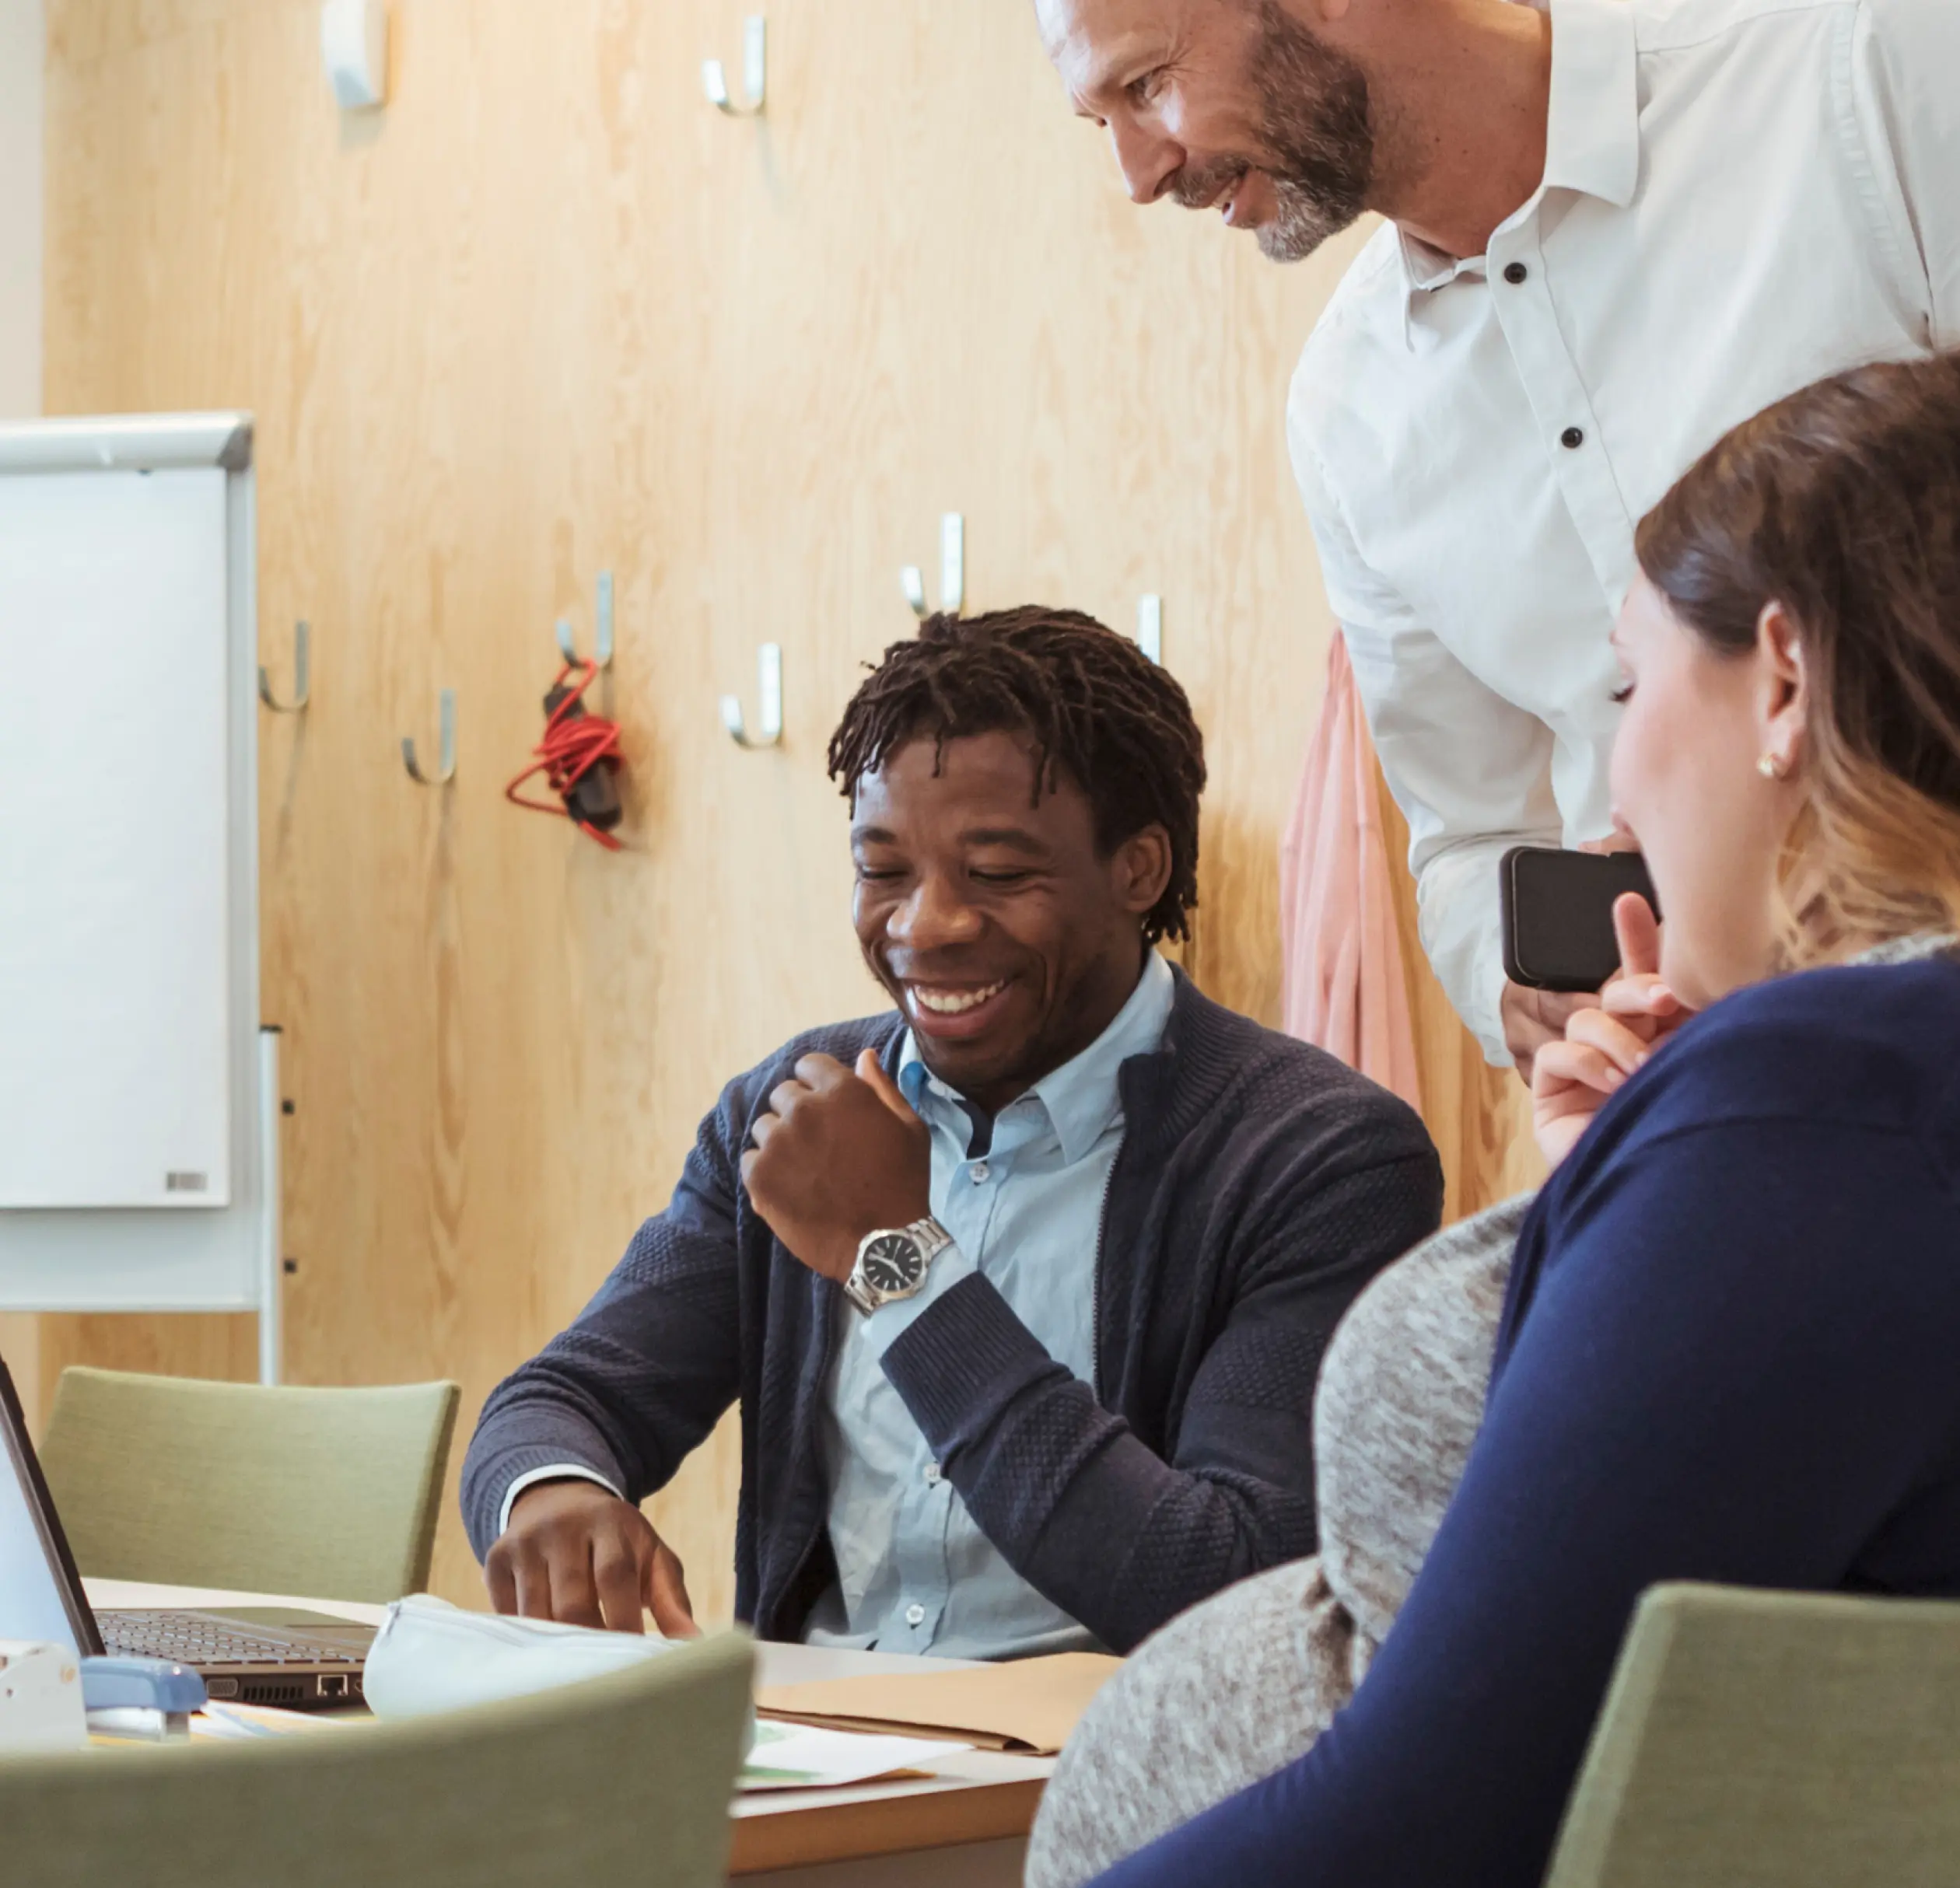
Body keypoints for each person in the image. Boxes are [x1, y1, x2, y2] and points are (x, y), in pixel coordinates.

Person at [1063, 351, 1960, 1886]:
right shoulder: (1819, 1116)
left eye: (1629, 683)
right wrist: (1623, 1195)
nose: (1608, 794)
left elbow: (1438, 1805)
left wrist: (1720, 1141)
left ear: (1786, 682)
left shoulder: (1814, 1099)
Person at [460, 607, 1443, 1656]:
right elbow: (562, 1399)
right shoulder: (785, 1114)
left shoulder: (1323, 1158)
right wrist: (553, 1491)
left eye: (998, 874)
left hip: (1101, 1783)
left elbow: (1223, 1586)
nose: (923, 927)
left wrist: (900, 1264)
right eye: (884, 871)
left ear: (1140, 870)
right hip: (826, 1768)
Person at [1035, 0, 1960, 1073]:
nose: (1138, 176)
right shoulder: (1346, 416)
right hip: (1715, 1122)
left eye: (1146, 86)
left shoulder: (1871, 76)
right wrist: (1518, 993)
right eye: (1098, 118)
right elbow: (1470, 840)